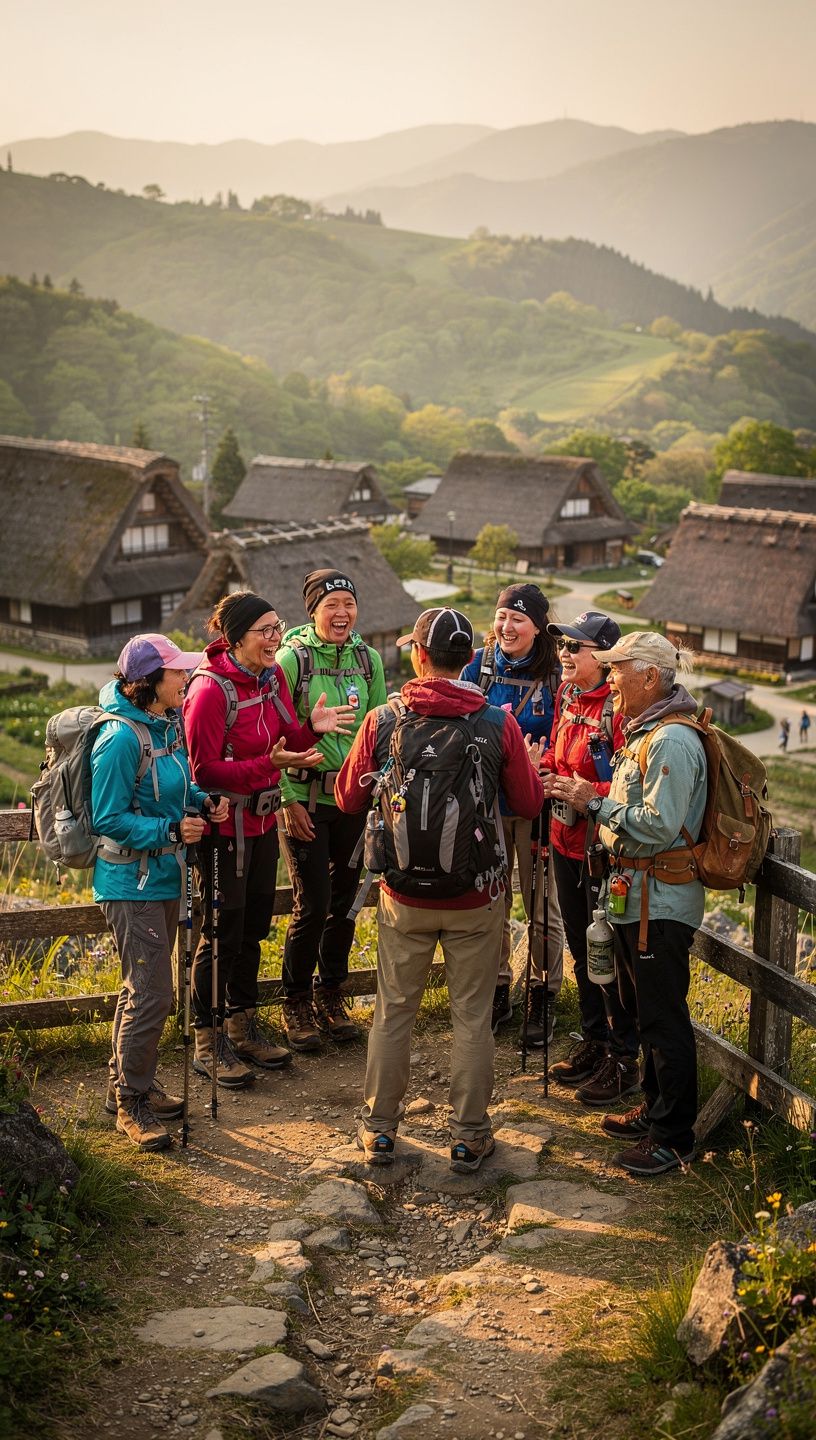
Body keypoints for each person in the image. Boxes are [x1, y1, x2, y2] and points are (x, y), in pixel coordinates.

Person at [336, 606, 545, 1173]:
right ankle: (469, 1135)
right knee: (472, 1015)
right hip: (476, 895)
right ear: (467, 658)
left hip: (402, 895)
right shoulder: (497, 723)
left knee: (393, 1009)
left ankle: (379, 1130)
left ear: (417, 655)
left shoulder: (383, 721)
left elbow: (347, 799)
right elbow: (527, 805)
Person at [549, 631, 705, 1176]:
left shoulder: (671, 742)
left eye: (618, 670)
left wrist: (596, 804)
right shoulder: (647, 734)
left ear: (649, 676)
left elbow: (660, 825)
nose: (610, 679)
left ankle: (674, 1137)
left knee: (663, 1019)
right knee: (645, 1014)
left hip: (658, 903)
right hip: (637, 899)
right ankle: (656, 1111)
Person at [183, 590, 355, 1087]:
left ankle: (241, 1025)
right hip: (223, 829)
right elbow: (203, 769)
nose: (276, 639)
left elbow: (285, 742)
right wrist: (271, 765)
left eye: (278, 628)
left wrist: (310, 731)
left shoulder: (270, 677)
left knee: (254, 924)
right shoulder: (210, 691)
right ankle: (207, 1038)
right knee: (221, 932)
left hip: (260, 824)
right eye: (266, 631)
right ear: (235, 638)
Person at [91, 633, 229, 1151]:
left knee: (145, 990)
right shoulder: (121, 738)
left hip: (163, 876)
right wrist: (170, 833)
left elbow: (179, 783)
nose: (187, 678)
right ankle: (130, 1103)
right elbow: (108, 817)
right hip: (132, 882)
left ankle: (130, 1086)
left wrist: (203, 799)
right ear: (148, 681)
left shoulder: (165, 723)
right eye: (177, 673)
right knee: (150, 994)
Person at [275, 570, 386, 1053]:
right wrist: (287, 799)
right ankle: (294, 1000)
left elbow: (380, 726)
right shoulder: (291, 659)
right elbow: (272, 737)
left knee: (346, 904)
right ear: (312, 610)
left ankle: (332, 993)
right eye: (331, 604)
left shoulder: (369, 659)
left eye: (348, 602)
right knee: (313, 903)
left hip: (353, 799)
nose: (342, 613)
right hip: (306, 797)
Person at [539, 611, 640, 1106]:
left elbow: (626, 788)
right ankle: (595, 1043)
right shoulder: (569, 697)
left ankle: (623, 1060)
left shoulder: (619, 711)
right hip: (563, 840)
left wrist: (585, 792)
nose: (565, 654)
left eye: (575, 647)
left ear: (602, 656)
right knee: (582, 949)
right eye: (563, 646)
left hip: (602, 853)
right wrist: (547, 774)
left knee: (613, 955)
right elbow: (561, 760)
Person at [460, 583, 564, 1043]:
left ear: (538, 626)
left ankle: (543, 996)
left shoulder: (557, 675)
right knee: (492, 902)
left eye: (518, 619)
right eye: (502, 617)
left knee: (543, 907)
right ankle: (498, 988)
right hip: (486, 806)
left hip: (538, 807)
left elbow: (568, 739)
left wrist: (544, 761)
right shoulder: (477, 667)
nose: (507, 627)